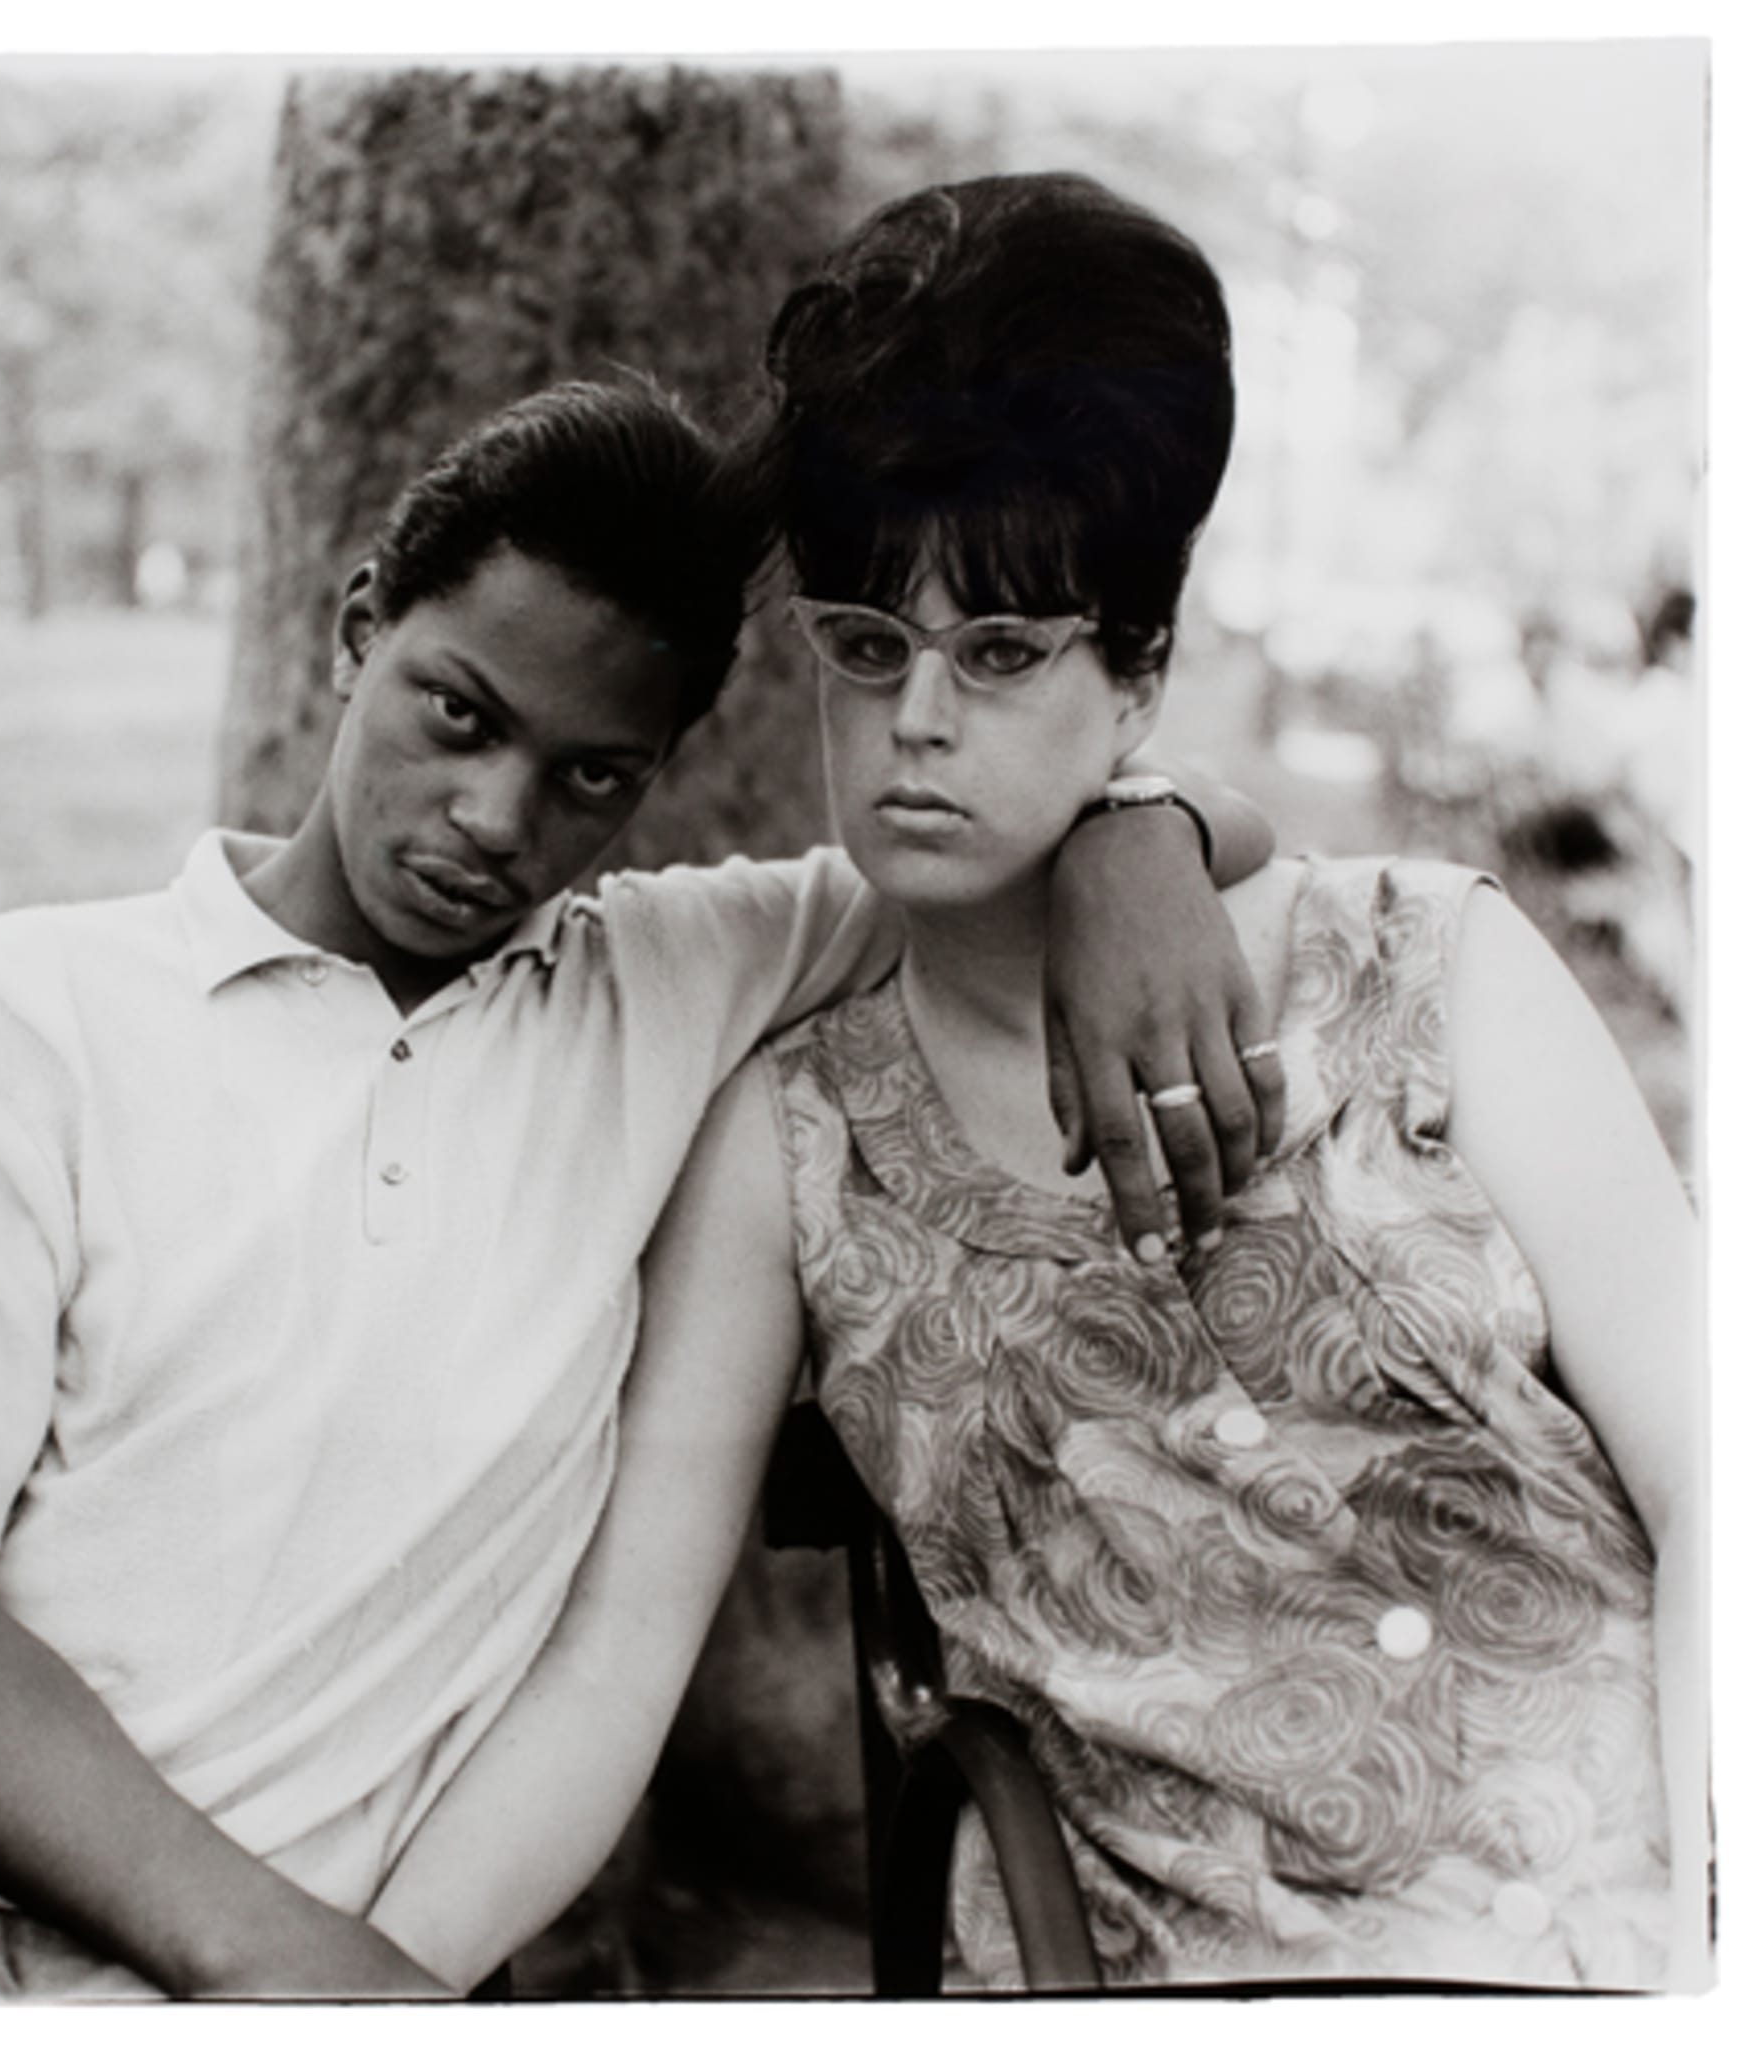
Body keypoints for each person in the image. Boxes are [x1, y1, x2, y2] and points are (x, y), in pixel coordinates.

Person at [0, 372, 1279, 2001]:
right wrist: (283, 1965)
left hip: (315, 1964)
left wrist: (1144, 829)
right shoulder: (22, 1010)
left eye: (593, 778)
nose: (495, 820)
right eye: (458, 715)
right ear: (360, 627)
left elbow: (1026, 834)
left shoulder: (666, 981)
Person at [371, 177, 1707, 1994]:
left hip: (1646, 1903)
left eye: (1000, 654)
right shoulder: (795, 1147)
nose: (918, 722)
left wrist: (1715, 1926)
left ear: (1140, 672)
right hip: (1161, 1965)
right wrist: (333, 1990)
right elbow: (613, 1667)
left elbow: (1717, 1474)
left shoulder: (1430, 966)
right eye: (866, 647)